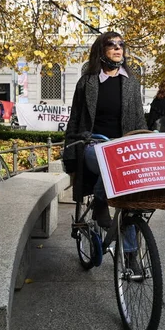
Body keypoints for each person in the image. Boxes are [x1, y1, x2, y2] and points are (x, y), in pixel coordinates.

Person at [63, 31, 147, 228]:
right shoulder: (86, 82)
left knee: (131, 207)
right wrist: (70, 155)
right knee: (108, 163)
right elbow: (74, 119)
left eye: (121, 44)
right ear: (101, 50)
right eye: (111, 44)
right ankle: (100, 203)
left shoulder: (131, 83)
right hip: (94, 145)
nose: (118, 48)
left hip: (124, 147)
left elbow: (139, 120)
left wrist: (146, 142)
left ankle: (131, 253)